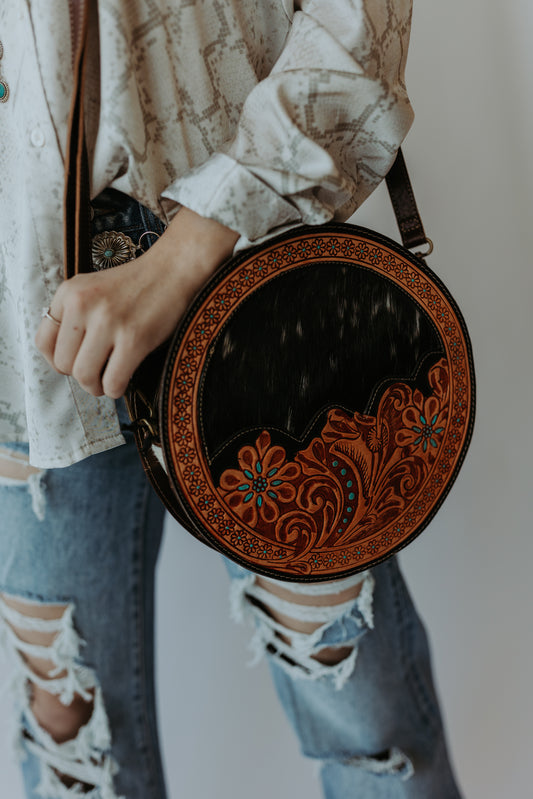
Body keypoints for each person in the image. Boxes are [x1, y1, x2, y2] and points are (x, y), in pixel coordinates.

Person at [0, 1, 463, 797]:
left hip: (242, 288)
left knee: (357, 700)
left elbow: (359, 17)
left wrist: (187, 250)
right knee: (70, 739)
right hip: (25, 326)